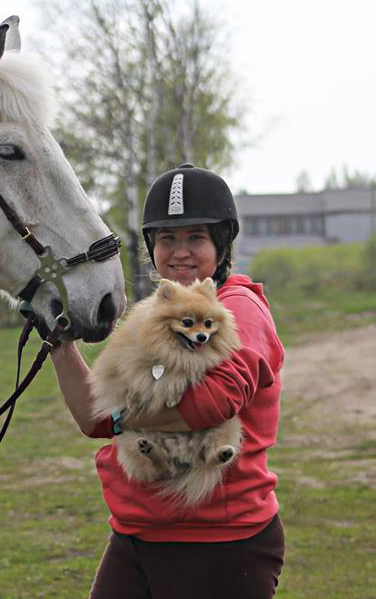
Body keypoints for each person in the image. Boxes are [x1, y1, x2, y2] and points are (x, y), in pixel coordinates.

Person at [51, 164, 286, 598]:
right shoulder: (157, 318)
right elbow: (96, 418)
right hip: (136, 534)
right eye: (166, 239)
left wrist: (128, 421)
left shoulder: (239, 308)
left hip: (221, 541)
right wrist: (59, 343)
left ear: (221, 242)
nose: (179, 252)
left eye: (195, 237)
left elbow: (212, 404)